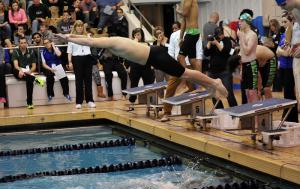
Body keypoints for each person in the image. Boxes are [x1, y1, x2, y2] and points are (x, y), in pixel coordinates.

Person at [54, 34, 229, 100]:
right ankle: (210, 85)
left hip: (155, 55)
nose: (105, 57)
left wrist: (68, 39)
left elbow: (89, 40)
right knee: (184, 75)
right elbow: (87, 37)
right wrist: (68, 35)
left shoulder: (111, 42)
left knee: (184, 73)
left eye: (102, 54)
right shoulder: (111, 45)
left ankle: (215, 82)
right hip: (152, 57)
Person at [160, 22, 202, 122]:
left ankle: (194, 113)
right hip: (177, 66)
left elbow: (199, 52)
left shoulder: (195, 34)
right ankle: (166, 112)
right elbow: (171, 52)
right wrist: (171, 67)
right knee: (170, 89)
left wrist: (198, 70)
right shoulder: (174, 35)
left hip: (190, 65)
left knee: (193, 90)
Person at [204, 26, 237, 109]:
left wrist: (217, 43)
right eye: (219, 34)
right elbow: (206, 53)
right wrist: (209, 42)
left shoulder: (227, 40)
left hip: (224, 71)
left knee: (228, 93)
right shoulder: (213, 41)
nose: (220, 36)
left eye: (221, 34)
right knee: (213, 93)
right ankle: (220, 111)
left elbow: (226, 52)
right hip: (212, 72)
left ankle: (235, 111)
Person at [66, 20, 96, 109]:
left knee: (88, 80)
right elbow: (69, 51)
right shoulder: (71, 38)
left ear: (83, 27)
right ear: (75, 27)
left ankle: (90, 100)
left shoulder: (87, 36)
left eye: (81, 26)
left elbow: (92, 42)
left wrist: (88, 36)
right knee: (78, 81)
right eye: (78, 26)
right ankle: (79, 101)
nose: (79, 27)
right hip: (77, 59)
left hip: (87, 58)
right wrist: (70, 62)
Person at [11, 37, 45, 109]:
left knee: (29, 80)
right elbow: (16, 66)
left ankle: (29, 102)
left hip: (27, 71)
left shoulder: (31, 51)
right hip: (18, 70)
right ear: (19, 44)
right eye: (21, 43)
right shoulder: (15, 51)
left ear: (27, 43)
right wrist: (20, 71)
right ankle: (36, 80)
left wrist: (30, 71)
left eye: (24, 43)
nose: (23, 44)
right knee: (15, 71)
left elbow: (34, 66)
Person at [276, 14, 298, 122]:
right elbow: (277, 51)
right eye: (282, 22)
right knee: (286, 94)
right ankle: (290, 119)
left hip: (290, 68)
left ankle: (289, 119)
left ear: (291, 22)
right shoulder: (283, 34)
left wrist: (280, 51)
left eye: (285, 22)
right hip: (283, 68)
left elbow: (287, 53)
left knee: (289, 94)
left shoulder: (293, 34)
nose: (283, 24)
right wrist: (280, 51)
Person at [126, 28, 155, 103]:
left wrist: (152, 65)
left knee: (148, 85)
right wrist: (128, 66)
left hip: (146, 66)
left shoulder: (147, 44)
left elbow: (150, 56)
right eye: (135, 35)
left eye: (138, 34)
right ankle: (132, 101)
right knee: (134, 85)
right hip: (135, 67)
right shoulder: (131, 44)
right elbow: (128, 56)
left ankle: (150, 101)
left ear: (142, 35)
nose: (136, 36)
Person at [238, 13, 258, 103]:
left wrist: (241, 38)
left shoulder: (252, 35)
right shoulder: (243, 34)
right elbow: (242, 53)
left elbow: (247, 51)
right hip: (244, 65)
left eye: (241, 21)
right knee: (245, 93)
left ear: (247, 22)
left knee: (252, 92)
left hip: (252, 65)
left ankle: (256, 116)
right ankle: (249, 115)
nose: (239, 23)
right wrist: (241, 68)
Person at [176, 0, 201, 72]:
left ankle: (184, 82)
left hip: (192, 32)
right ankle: (199, 80)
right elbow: (184, 22)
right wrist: (181, 38)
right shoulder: (184, 2)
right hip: (192, 32)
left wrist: (178, 11)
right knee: (192, 60)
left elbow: (185, 13)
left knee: (180, 57)